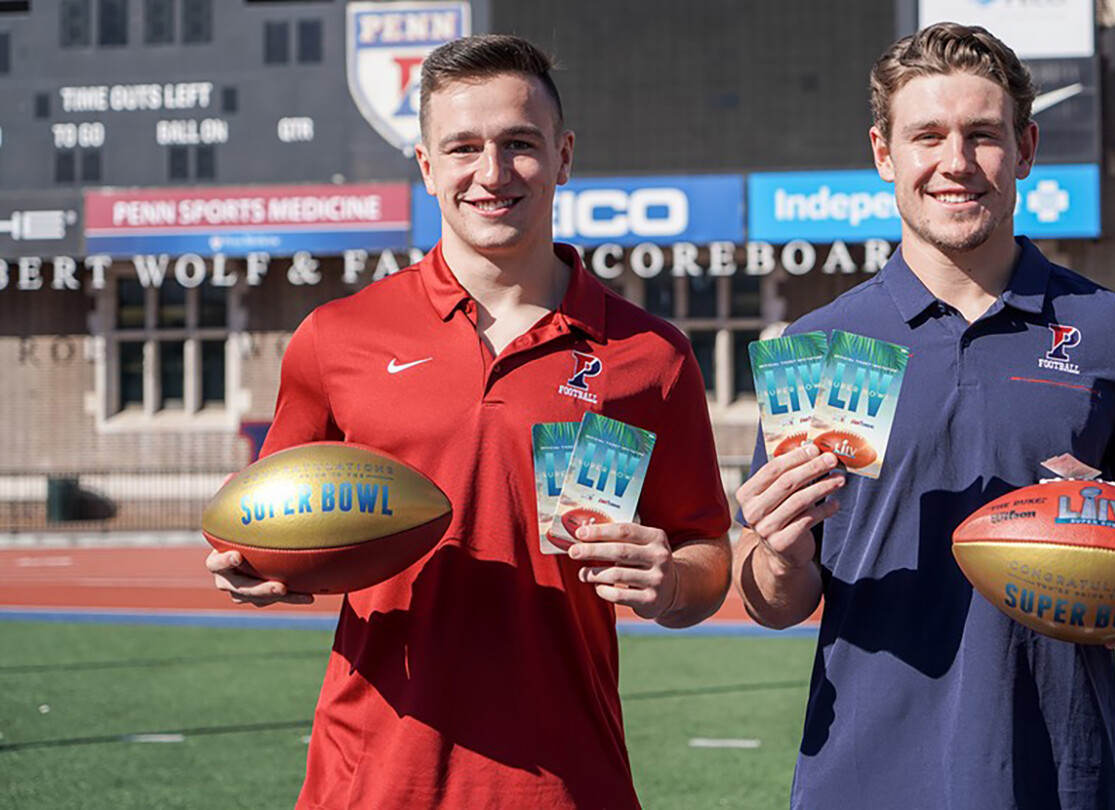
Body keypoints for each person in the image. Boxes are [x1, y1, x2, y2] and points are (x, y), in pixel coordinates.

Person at [206, 34, 732, 809]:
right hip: (372, 780)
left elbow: (706, 557)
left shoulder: (651, 356)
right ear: (426, 166)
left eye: (520, 144)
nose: (492, 173)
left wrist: (672, 582)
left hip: (566, 781)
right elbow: (268, 522)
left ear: (564, 156)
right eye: (463, 148)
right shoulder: (337, 337)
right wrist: (256, 567)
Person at [733, 23, 1115, 809]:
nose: (955, 163)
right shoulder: (820, 346)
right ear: (883, 154)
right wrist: (779, 556)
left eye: (983, 135)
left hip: (1061, 777)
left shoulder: (1112, 330)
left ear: (1026, 148)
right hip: (861, 779)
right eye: (926, 135)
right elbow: (773, 599)